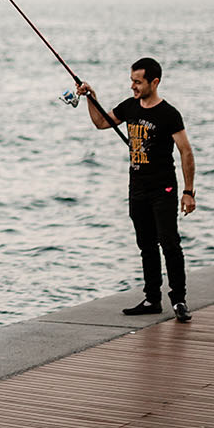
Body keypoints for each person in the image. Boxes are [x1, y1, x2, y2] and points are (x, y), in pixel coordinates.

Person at [76, 57, 196, 322]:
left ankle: (179, 300)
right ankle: (152, 298)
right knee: (146, 245)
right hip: (137, 188)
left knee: (169, 243)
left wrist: (189, 191)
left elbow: (186, 151)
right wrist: (91, 97)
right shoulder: (129, 107)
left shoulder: (169, 114)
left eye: (138, 82)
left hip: (163, 187)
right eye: (131, 80)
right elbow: (101, 123)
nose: (133, 86)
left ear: (155, 82)